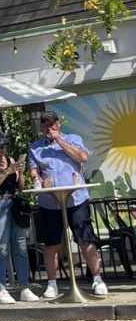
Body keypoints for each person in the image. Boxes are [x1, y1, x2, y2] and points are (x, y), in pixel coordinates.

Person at [27, 110, 108, 298]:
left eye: (52, 123)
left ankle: (97, 279)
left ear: (58, 124)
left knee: (85, 239)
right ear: (41, 126)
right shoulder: (35, 147)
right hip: (50, 201)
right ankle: (52, 283)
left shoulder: (73, 138)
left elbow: (82, 157)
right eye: (45, 124)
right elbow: (33, 172)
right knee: (51, 243)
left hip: (76, 198)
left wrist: (59, 141)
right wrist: (38, 179)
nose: (49, 127)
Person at [0, 129, 37, 304]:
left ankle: (24, 286)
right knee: (1, 247)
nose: (3, 149)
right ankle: (1, 288)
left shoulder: (9, 160)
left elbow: (20, 187)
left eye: (5, 145)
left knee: (20, 246)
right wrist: (6, 172)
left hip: (13, 203)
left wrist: (20, 172)